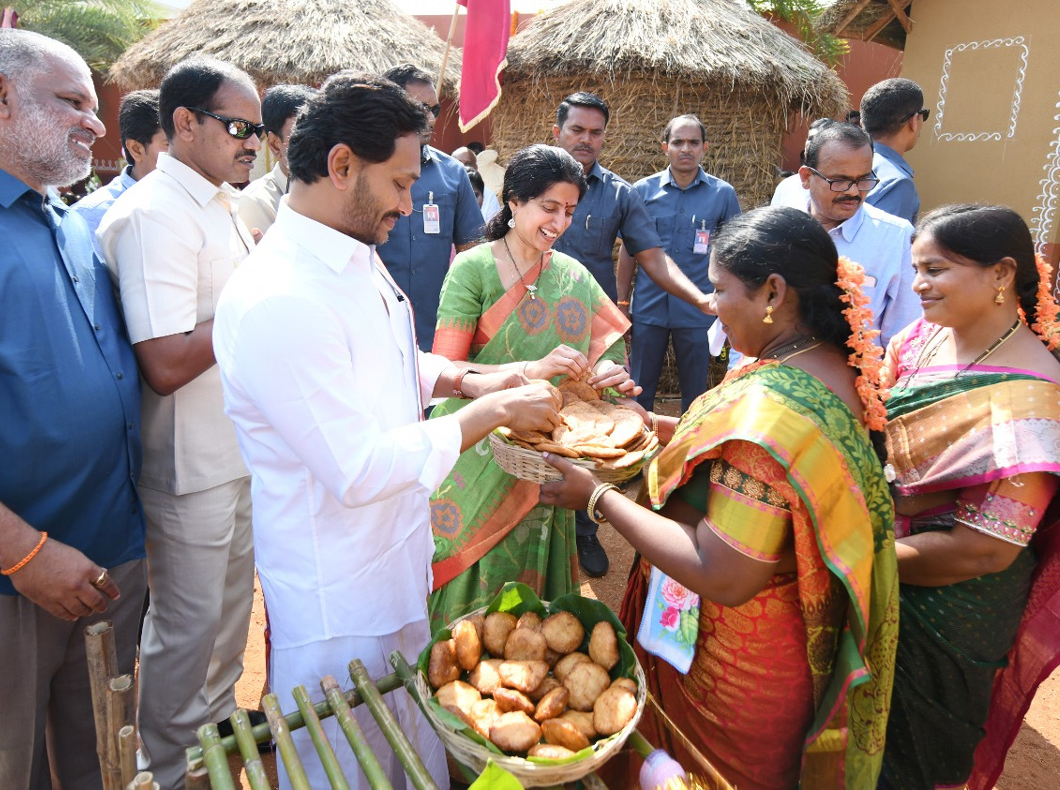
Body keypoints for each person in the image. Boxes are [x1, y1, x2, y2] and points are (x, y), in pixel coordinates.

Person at [212, 72, 561, 790]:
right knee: (350, 765)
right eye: (401, 183)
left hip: (393, 563)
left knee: (407, 747)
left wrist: (468, 379)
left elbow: (382, 360)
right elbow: (358, 468)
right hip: (337, 595)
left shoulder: (347, 253)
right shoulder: (281, 296)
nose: (411, 202)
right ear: (342, 166)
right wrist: (488, 415)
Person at [540, 206, 899, 790]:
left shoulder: (772, 413)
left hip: (735, 665)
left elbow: (724, 571)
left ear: (774, 293)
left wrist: (598, 496)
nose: (711, 304)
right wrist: (649, 423)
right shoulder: (829, 366)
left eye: (720, 289)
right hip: (790, 644)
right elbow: (728, 457)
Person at [0, 29, 145, 790]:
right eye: (73, 101)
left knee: (97, 763)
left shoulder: (63, 217)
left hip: (105, 559)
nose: (95, 122)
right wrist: (20, 551)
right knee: (1, 771)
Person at [877, 204, 1060, 790]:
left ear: (1002, 275)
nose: (917, 285)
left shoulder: (1034, 401)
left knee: (909, 763)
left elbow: (983, 552)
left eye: (935, 269)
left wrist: (859, 557)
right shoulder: (916, 343)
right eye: (915, 268)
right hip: (880, 558)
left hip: (954, 607)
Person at [98, 56, 261, 790]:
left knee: (228, 623)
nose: (252, 141)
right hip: (186, 463)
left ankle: (214, 740)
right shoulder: (153, 213)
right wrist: (260, 307)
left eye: (257, 130)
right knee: (186, 631)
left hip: (236, 450)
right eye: (238, 126)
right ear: (184, 123)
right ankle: (164, 769)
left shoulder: (219, 202)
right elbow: (164, 361)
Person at [426, 143, 641, 628]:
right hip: (478, 455)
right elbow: (444, 373)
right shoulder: (473, 268)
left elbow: (606, 352)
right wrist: (530, 367)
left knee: (533, 616)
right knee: (470, 611)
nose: (560, 222)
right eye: (549, 207)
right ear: (514, 201)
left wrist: (610, 377)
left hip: (545, 457)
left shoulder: (574, 275)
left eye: (569, 210)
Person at [550, 91, 714, 577]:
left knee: (593, 430)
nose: (587, 139)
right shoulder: (531, 177)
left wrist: (699, 297)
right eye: (577, 129)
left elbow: (653, 257)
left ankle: (584, 530)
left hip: (592, 338)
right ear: (557, 130)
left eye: (596, 132)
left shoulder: (621, 193)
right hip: (531, 324)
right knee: (533, 423)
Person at [622, 115, 741, 413]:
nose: (685, 149)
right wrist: (622, 303)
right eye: (678, 142)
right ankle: (637, 449)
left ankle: (690, 451)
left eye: (693, 142)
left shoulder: (722, 194)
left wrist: (728, 301)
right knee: (638, 387)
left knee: (696, 390)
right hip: (649, 308)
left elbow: (733, 252)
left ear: (705, 148)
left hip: (697, 309)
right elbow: (628, 251)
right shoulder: (642, 191)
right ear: (665, 147)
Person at [378, 64, 485, 351]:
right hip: (374, 331)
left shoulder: (454, 174)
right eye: (418, 108)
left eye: (433, 110)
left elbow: (472, 255)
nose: (428, 118)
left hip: (437, 334)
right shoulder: (365, 172)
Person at [800, 122, 920, 346]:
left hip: (860, 378)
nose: (853, 191)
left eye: (863, 180)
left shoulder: (896, 237)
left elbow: (904, 337)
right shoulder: (780, 231)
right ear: (806, 177)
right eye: (840, 181)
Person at [71, 89, 168, 252]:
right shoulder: (92, 217)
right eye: (169, 144)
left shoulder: (208, 202)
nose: (184, 154)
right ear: (136, 149)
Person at [238, 83, 318, 235]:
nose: (316, 143)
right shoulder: (256, 202)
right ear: (275, 144)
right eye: (300, 136)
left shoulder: (335, 192)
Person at [859, 78, 924, 224]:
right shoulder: (896, 183)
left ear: (863, 123)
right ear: (913, 121)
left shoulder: (839, 163)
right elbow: (885, 244)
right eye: (923, 114)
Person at [769, 116, 834, 210]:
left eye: (819, 139)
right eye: (810, 138)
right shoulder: (787, 186)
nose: (813, 144)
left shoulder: (842, 188)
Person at [452, 144, 501, 220]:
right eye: (458, 164)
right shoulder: (442, 191)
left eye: (468, 164)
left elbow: (493, 227)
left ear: (476, 167)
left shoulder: (488, 196)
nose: (463, 168)